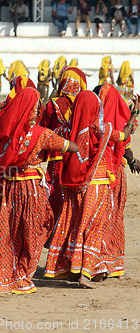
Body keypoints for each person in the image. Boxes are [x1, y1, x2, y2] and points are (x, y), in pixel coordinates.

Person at [0, 88, 79, 294]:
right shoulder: (41, 134)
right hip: (30, 189)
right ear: (34, 108)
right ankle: (22, 275)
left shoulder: (7, 128)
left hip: (7, 186)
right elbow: (72, 148)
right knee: (30, 231)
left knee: (5, 230)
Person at [44, 91, 138, 288]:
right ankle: (85, 274)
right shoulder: (100, 127)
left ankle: (71, 268)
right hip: (97, 182)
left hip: (74, 183)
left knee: (75, 223)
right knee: (94, 225)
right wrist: (134, 114)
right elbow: (123, 135)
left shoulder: (68, 130)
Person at [94, 84, 137, 282]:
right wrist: (133, 161)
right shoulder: (115, 123)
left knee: (95, 219)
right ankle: (107, 265)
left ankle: (92, 264)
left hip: (92, 176)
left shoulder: (93, 119)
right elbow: (125, 143)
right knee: (112, 217)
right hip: (113, 176)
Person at [40, 67, 87, 218]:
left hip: (56, 157)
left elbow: (43, 128)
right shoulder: (84, 105)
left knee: (55, 195)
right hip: (78, 157)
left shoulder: (53, 104)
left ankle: (54, 230)